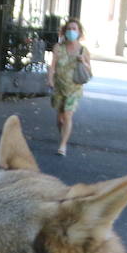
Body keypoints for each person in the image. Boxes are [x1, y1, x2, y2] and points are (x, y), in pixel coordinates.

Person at [47, 17, 90, 156]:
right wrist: (50, 79)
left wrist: (83, 62)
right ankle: (63, 134)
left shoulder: (83, 50)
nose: (71, 31)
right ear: (65, 31)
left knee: (67, 115)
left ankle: (63, 145)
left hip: (74, 88)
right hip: (59, 86)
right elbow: (52, 65)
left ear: (79, 32)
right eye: (69, 29)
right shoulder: (58, 47)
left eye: (74, 29)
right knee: (60, 118)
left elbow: (89, 71)